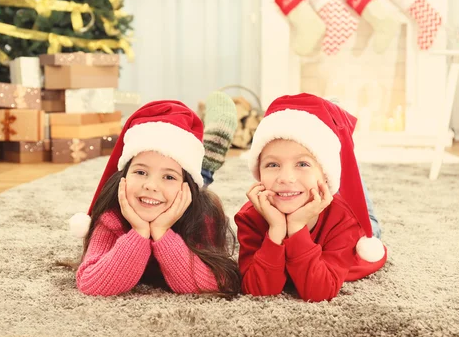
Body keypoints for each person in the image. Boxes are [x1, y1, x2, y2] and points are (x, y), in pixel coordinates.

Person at [68, 96, 240, 297]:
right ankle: (199, 162)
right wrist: (140, 232)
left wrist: (162, 232)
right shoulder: (112, 217)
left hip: (185, 197)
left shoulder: (202, 216)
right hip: (171, 192)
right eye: (140, 172)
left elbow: (213, 284)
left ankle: (208, 159)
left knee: (200, 179)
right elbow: (91, 284)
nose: (150, 186)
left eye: (168, 176)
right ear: (123, 177)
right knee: (171, 180)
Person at [234, 93, 387, 302]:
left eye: (302, 164)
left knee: (372, 228)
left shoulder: (344, 219)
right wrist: (276, 229)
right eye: (272, 165)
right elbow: (258, 289)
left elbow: (319, 292)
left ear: (324, 172)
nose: (285, 178)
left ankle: (344, 146)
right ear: (258, 172)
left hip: (344, 215)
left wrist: (296, 227)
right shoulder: (250, 216)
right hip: (310, 192)